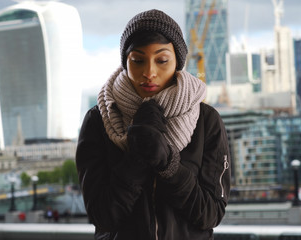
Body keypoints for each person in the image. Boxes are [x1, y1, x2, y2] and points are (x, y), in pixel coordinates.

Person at [75, 9, 230, 240]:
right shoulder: (99, 120)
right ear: (125, 63)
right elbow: (102, 216)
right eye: (138, 61)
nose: (149, 72)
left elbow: (210, 213)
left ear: (177, 61)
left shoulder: (207, 120)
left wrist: (168, 164)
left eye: (162, 60)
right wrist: (137, 157)